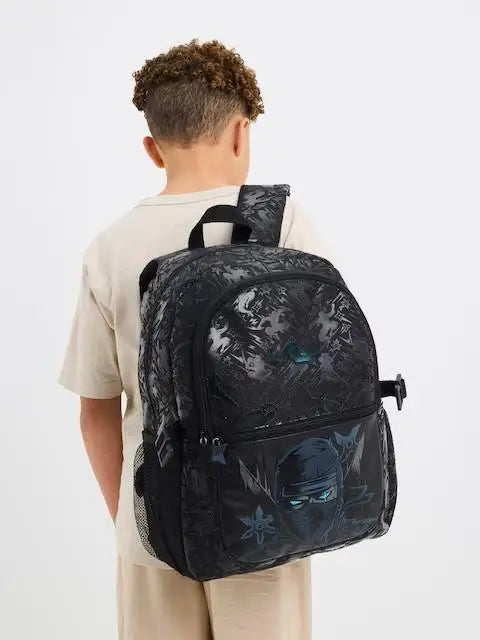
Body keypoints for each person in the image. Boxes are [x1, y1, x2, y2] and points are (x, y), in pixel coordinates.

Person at [58, 38, 335, 640]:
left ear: (152, 148)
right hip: (266, 517)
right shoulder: (283, 223)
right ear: (240, 133)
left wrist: (136, 520)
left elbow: (95, 411)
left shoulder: (108, 248)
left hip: (154, 525)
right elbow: (326, 375)